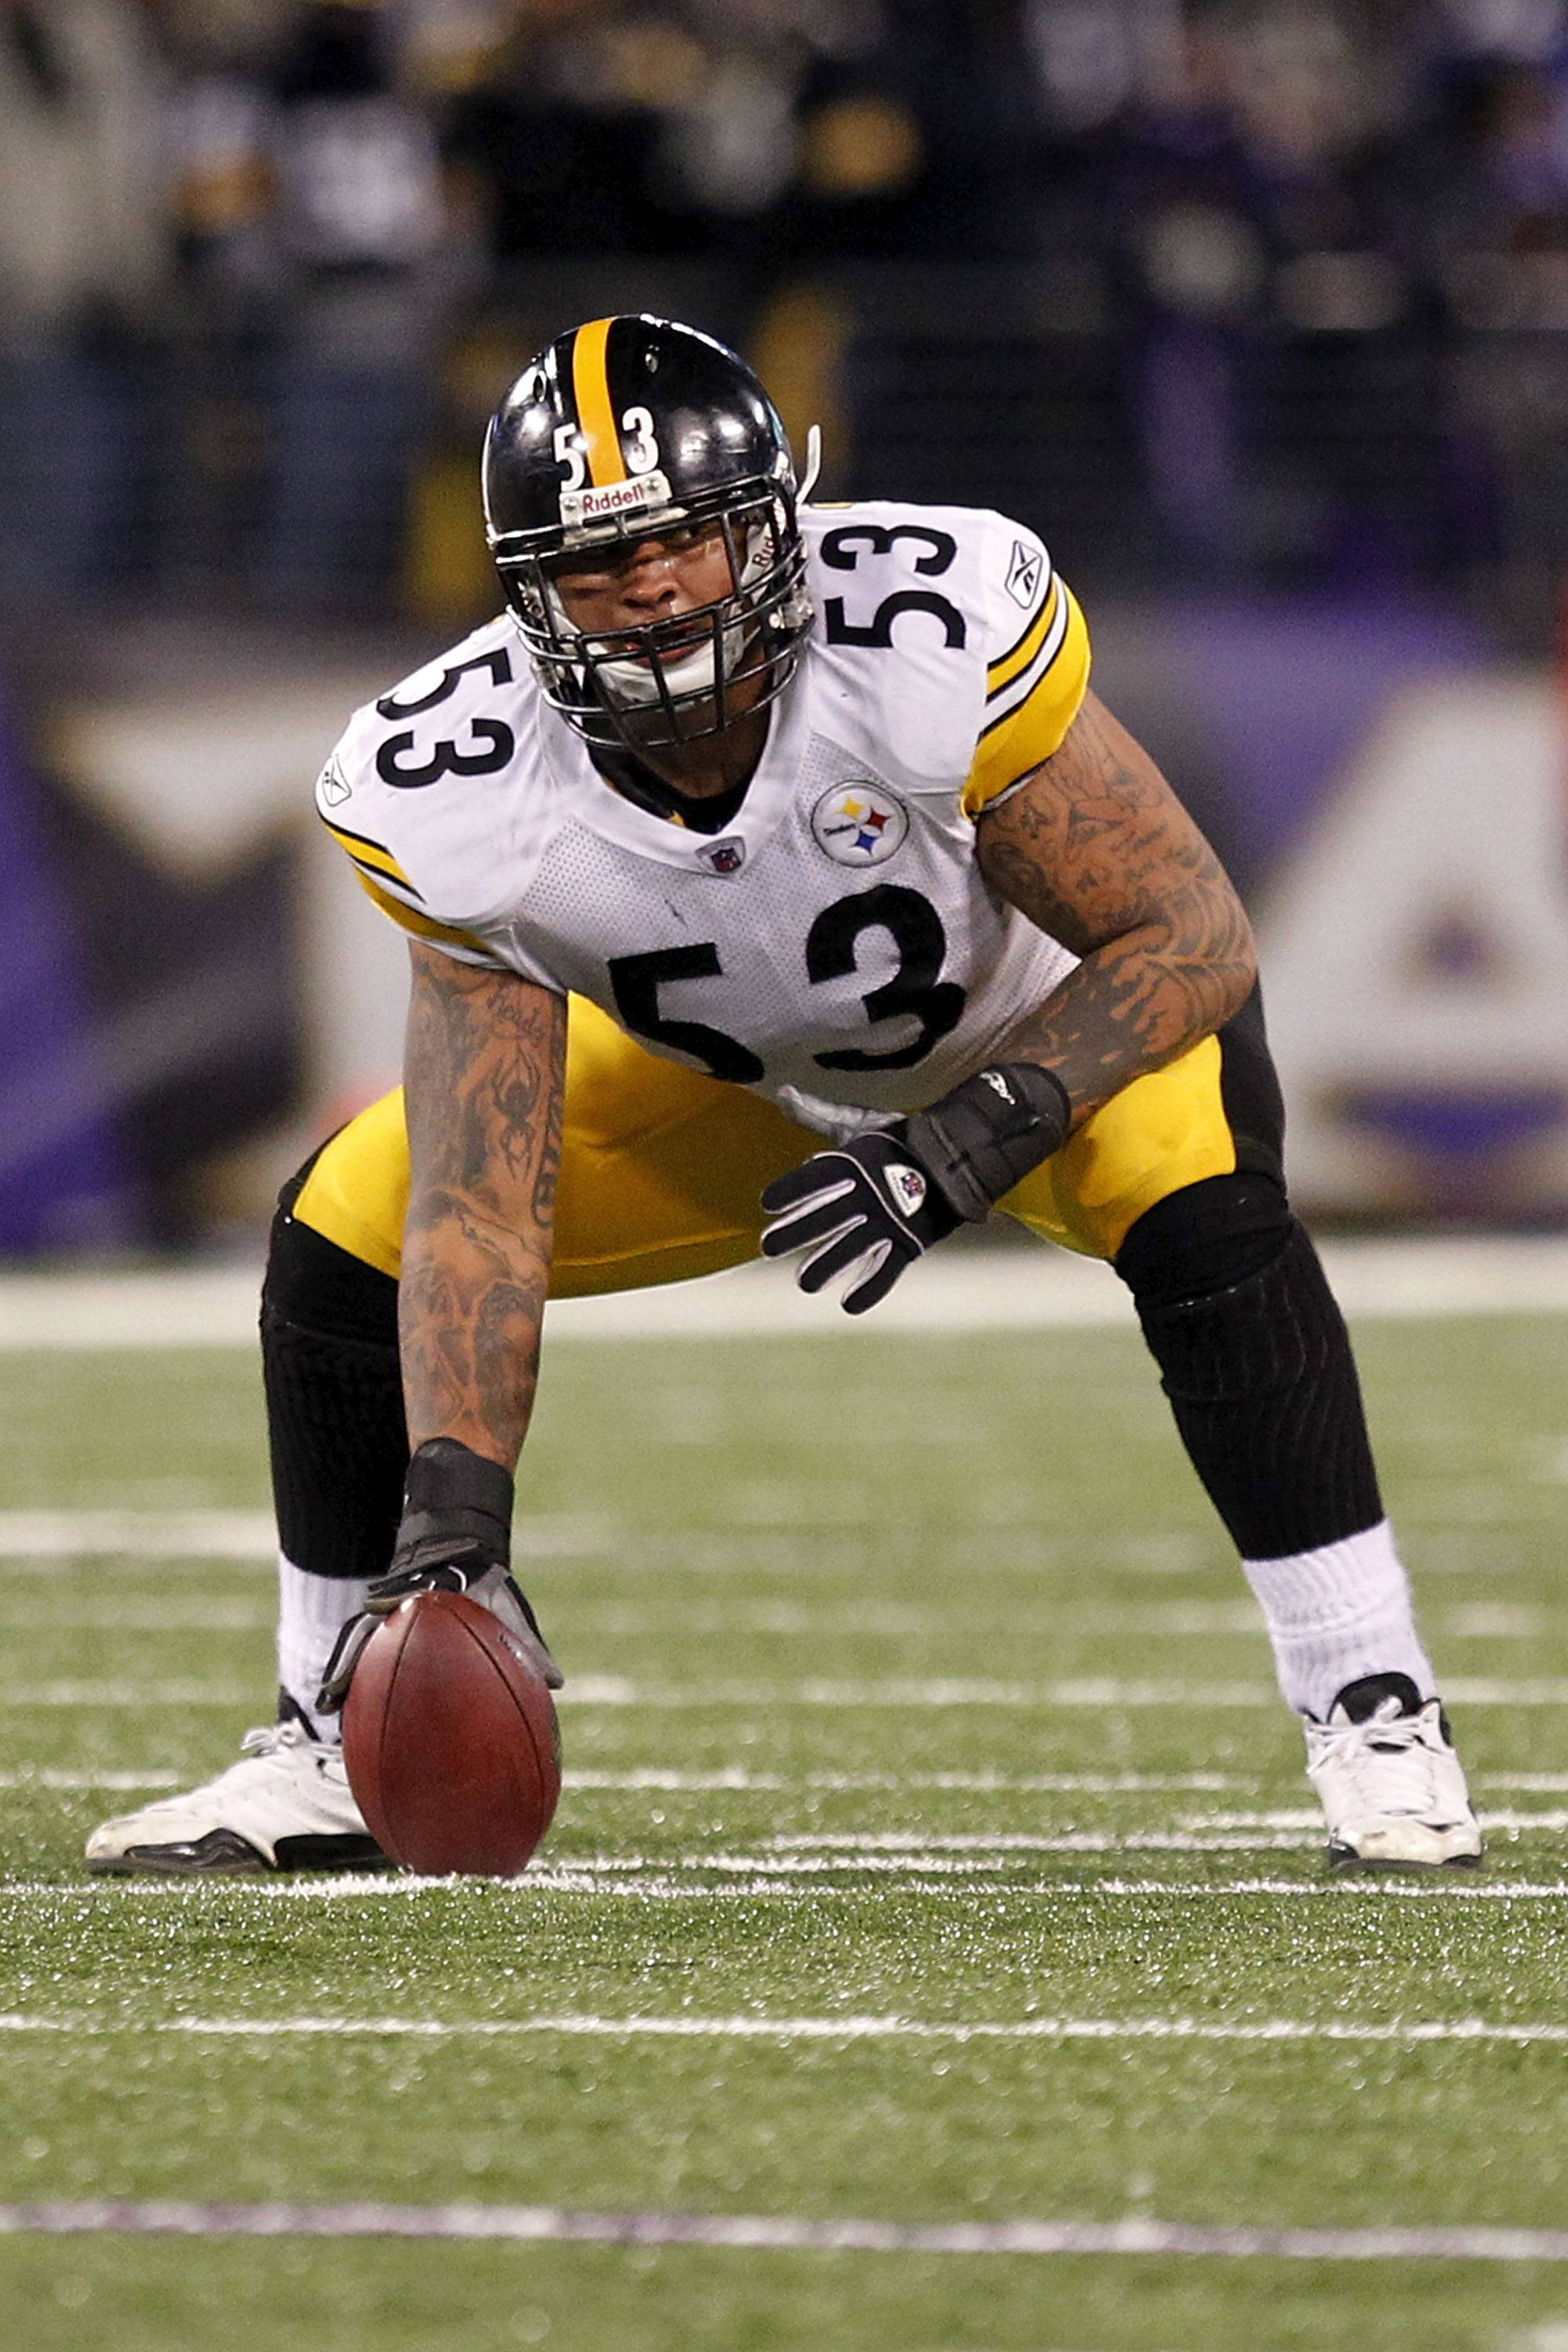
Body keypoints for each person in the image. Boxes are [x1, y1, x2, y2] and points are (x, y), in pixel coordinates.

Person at [87, 313, 1480, 1878]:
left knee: (1209, 1215)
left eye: (690, 539)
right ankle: (329, 1742)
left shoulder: (927, 632)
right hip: (739, 1080)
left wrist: (960, 1146)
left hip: (1038, 1038)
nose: (660, 588)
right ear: (525, 590)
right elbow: (479, 1197)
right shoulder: (455, 783)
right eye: (601, 565)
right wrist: (452, 1518)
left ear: (776, 521)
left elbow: (1187, 940)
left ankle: (1373, 1707)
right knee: (354, 1222)